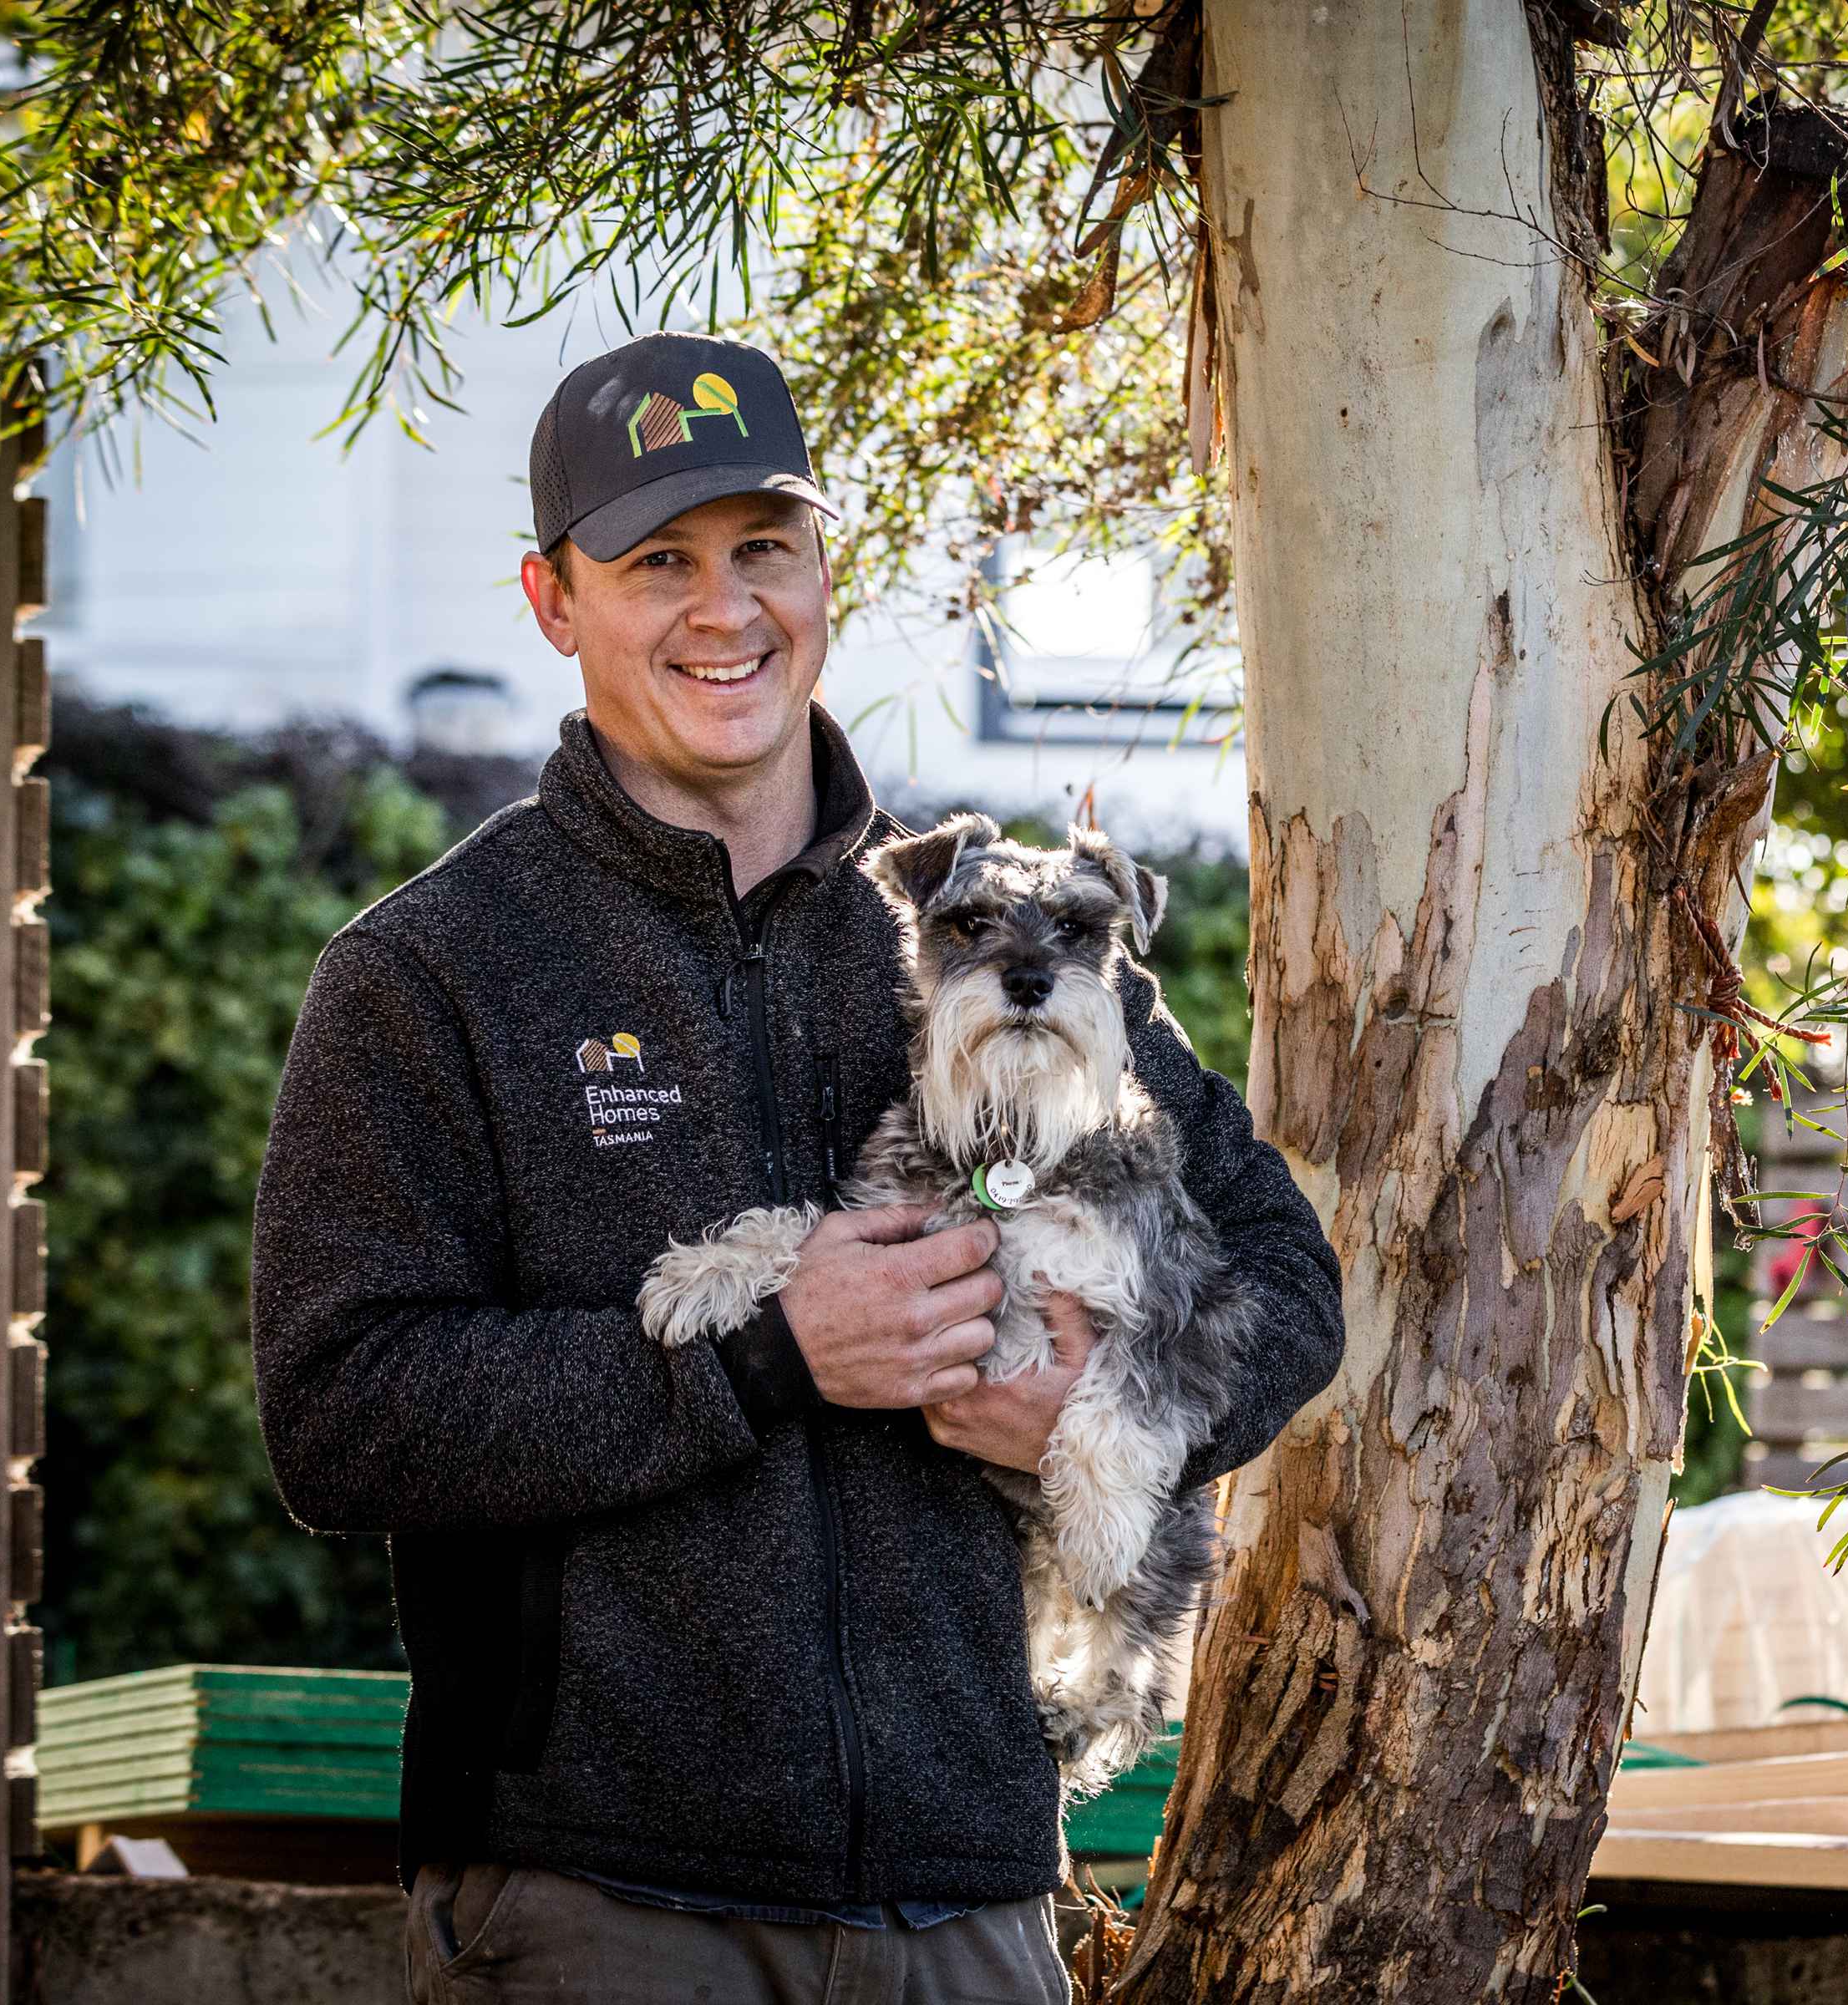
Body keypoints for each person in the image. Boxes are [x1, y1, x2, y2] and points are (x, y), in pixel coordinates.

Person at [249, 331, 1345, 2003]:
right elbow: (342, 1415)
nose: (725, 609)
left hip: (971, 1904)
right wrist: (761, 1357)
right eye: (657, 563)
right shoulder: (434, 972)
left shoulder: (1003, 935)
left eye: (765, 550)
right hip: (597, 1908)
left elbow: (1287, 1279)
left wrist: (1106, 1413)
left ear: (823, 569)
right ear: (554, 601)